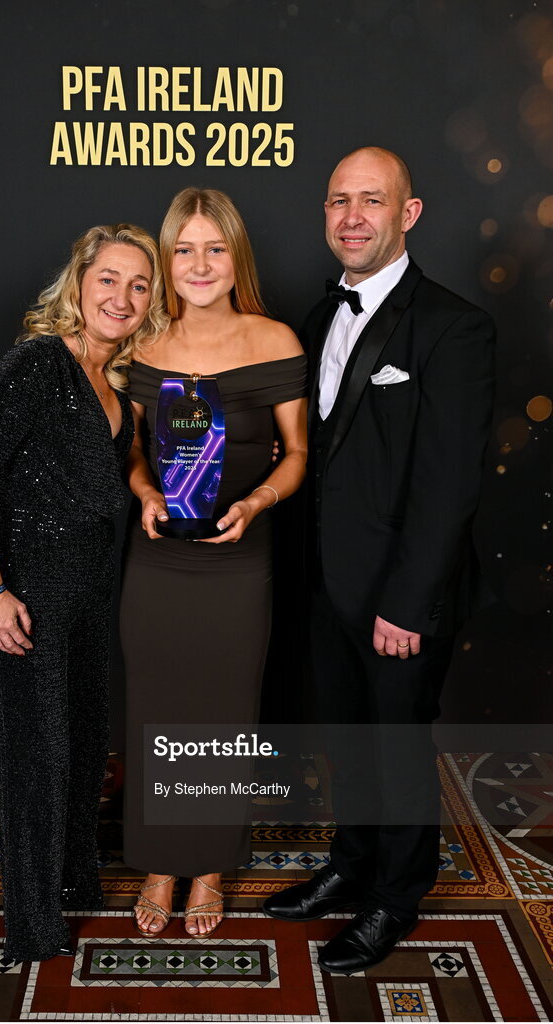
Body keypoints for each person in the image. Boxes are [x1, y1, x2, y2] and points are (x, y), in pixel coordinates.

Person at [262, 147, 496, 973]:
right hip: (329, 582)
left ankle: (396, 897)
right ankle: (350, 866)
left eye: (371, 201)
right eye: (338, 201)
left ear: (410, 213)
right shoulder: (320, 316)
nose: (352, 217)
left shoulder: (453, 326)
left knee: (395, 745)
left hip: (402, 594)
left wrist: (408, 603)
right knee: (348, 738)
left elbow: (448, 487)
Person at [0, 224, 167, 962]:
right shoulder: (39, 362)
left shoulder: (118, 381)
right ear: (78, 283)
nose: (123, 297)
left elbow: (121, 477)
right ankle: (33, 927)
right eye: (108, 279)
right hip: (29, 598)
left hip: (91, 594)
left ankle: (73, 882)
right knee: (35, 760)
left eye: (139, 285)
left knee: (79, 747)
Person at [120, 187, 308, 938]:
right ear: (168, 261)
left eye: (215, 247)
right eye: (184, 249)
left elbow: (297, 456)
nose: (200, 264)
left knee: (222, 715)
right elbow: (134, 449)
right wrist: (141, 491)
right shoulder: (143, 343)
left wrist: (257, 502)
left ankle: (210, 868)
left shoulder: (277, 340)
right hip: (158, 561)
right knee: (157, 709)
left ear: (237, 257)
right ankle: (163, 862)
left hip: (241, 562)